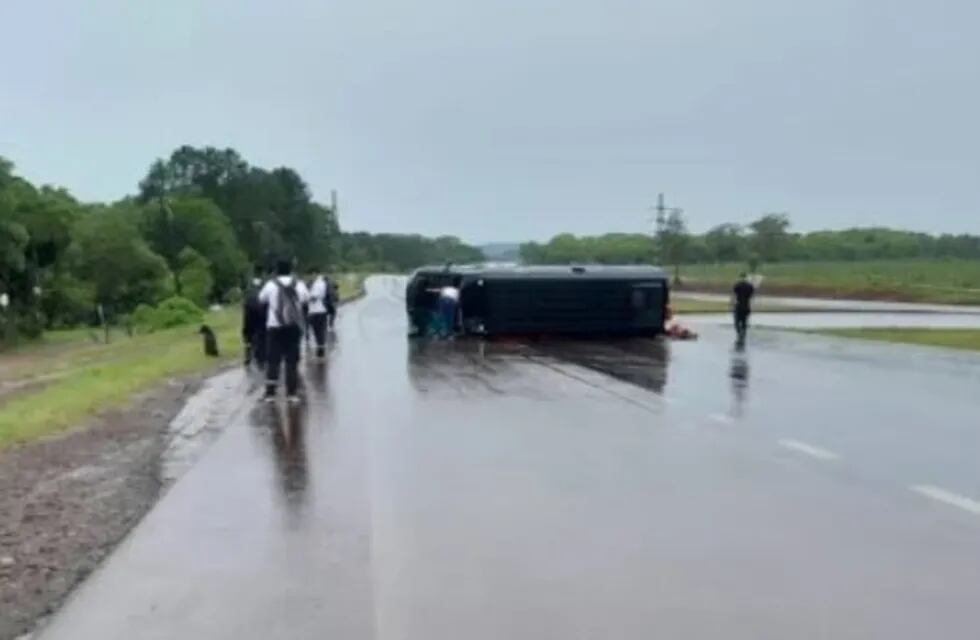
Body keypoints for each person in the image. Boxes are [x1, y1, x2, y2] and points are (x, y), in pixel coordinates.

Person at [259, 259, 311, 403]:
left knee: (273, 361)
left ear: (276, 270)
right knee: (291, 361)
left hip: (274, 327)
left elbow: (261, 299)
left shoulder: (270, 285)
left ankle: (270, 394)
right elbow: (306, 299)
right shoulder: (299, 284)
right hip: (293, 327)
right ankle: (291, 394)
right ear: (291, 270)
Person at [242, 273, 267, 369]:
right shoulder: (263, 290)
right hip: (260, 317)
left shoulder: (249, 292)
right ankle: (260, 358)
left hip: (250, 316)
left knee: (248, 336)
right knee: (261, 337)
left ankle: (248, 356)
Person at [307, 269, 330, 359]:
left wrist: (307, 297)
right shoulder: (318, 283)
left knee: (318, 331)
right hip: (318, 311)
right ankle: (320, 347)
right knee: (319, 331)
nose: (311, 276)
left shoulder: (319, 283)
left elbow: (314, 297)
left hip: (316, 311)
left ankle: (320, 349)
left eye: (312, 274)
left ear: (315, 273)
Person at [731, 272, 755, 343]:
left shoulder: (737, 285)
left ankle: (739, 334)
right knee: (744, 322)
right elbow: (752, 296)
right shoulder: (750, 286)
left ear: (740, 277)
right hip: (747, 306)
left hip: (738, 306)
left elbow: (734, 295)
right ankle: (743, 335)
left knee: (736, 322)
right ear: (746, 277)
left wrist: (732, 303)